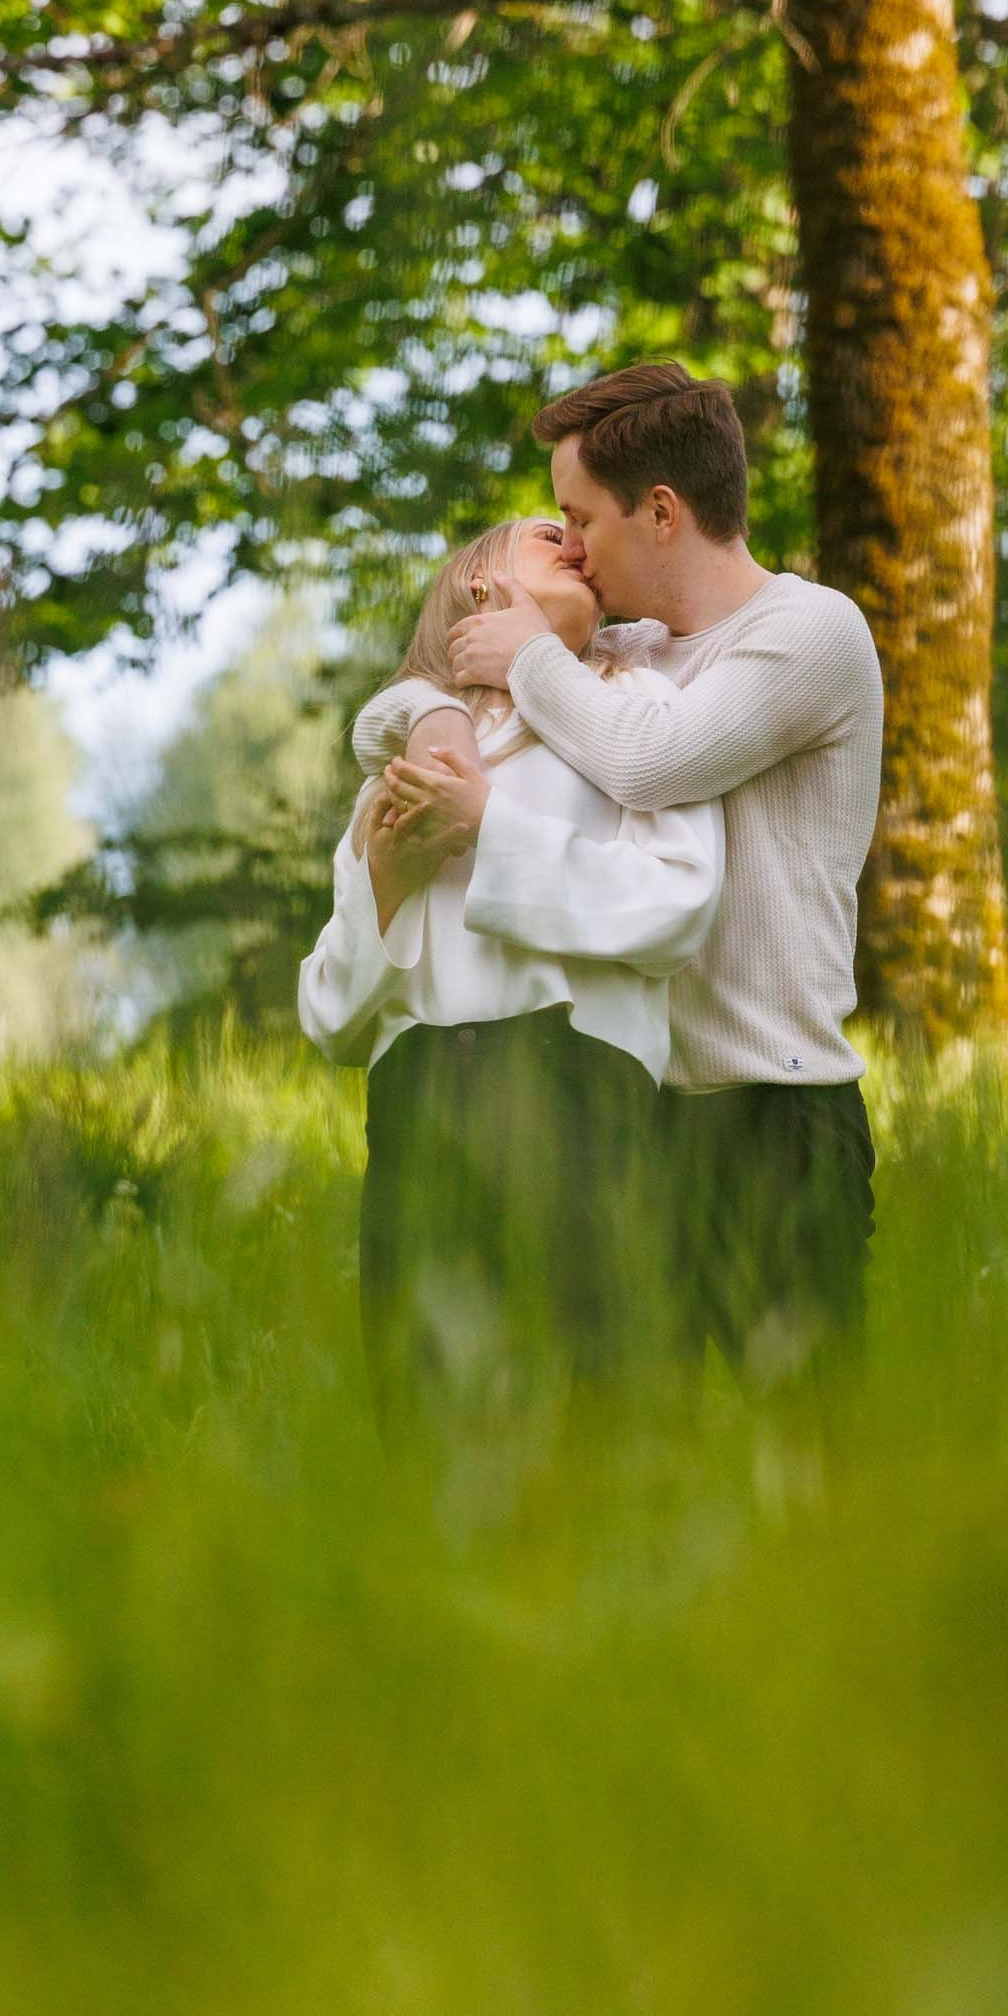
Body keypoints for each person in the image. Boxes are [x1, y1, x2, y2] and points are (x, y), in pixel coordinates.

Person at [363, 363, 883, 1386]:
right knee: (644, 1478)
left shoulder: (808, 632)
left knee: (803, 1474)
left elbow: (653, 762)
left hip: (773, 1114)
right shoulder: (624, 654)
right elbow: (404, 693)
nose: (571, 548)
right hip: (629, 1115)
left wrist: (527, 661)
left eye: (579, 518)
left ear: (659, 511)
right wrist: (427, 714)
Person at [299, 512, 722, 1428]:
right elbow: (329, 1015)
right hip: (418, 1116)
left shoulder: (641, 711)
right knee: (433, 1431)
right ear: (479, 588)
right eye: (544, 534)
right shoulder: (396, 774)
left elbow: (675, 906)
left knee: (592, 1417)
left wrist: (488, 823)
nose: (575, 539)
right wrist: (392, 878)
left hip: (585, 1099)